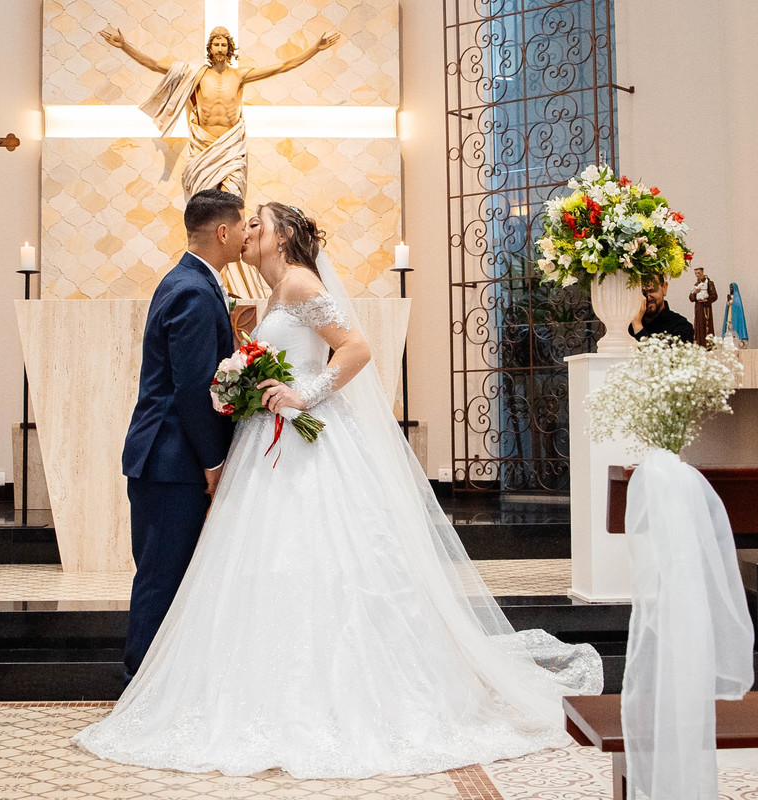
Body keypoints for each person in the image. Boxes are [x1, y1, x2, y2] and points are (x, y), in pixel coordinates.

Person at [74, 202, 603, 778]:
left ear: (283, 239)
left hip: (304, 441)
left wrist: (307, 394)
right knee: (259, 566)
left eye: (261, 225)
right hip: (265, 445)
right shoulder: (271, 294)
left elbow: (355, 349)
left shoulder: (299, 281)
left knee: (317, 560)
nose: (251, 232)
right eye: (246, 224)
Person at [119, 189, 245, 686]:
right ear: (222, 231)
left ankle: (158, 686)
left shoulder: (189, 281)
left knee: (169, 577)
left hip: (167, 458)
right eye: (242, 225)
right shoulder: (193, 289)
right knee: (161, 579)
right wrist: (214, 463)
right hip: (172, 461)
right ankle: (137, 687)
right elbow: (192, 388)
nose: (244, 235)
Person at [101, 25, 339, 200]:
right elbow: (153, 65)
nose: (220, 48)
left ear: (229, 47)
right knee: (204, 203)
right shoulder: (196, 74)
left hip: (231, 146)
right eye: (216, 43)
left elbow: (283, 66)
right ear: (210, 47)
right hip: (204, 145)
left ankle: (232, 258)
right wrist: (125, 46)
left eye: (224, 43)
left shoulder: (239, 75)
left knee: (231, 202)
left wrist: (315, 49)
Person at [629, 276, 695, 343]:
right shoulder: (626, 325)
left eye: (651, 290)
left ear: (664, 288)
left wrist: (637, 326)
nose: (647, 298)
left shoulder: (682, 326)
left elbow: (659, 353)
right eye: (642, 293)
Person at [688, 266, 717, 345]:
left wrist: (706, 299)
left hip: (705, 308)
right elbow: (691, 298)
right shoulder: (696, 285)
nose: (697, 275)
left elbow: (714, 296)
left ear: (703, 273)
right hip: (698, 309)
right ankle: (699, 344)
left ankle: (708, 344)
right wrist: (695, 293)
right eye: (696, 274)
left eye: (698, 273)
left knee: (706, 326)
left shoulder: (709, 283)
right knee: (698, 326)